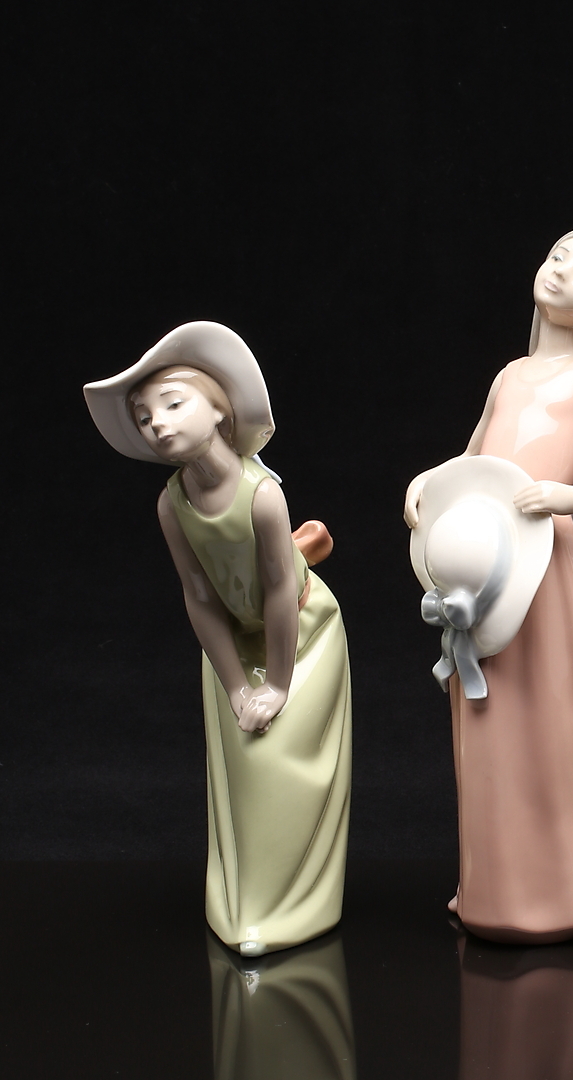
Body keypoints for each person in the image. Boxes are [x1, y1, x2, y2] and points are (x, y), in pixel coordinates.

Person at [404, 228, 573, 943]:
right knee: (489, 724)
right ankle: (492, 886)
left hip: (543, 566)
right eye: (559, 256)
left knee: (553, 728)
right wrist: (429, 479)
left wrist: (562, 497)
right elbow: (472, 459)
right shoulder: (510, 376)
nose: (563, 272)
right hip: (486, 561)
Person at [84, 323, 352, 956]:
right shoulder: (171, 505)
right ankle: (241, 904)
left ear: (220, 410)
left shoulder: (262, 496)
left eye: (173, 404)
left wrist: (277, 685)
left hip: (302, 636)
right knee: (241, 773)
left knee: (286, 767)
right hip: (229, 647)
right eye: (145, 418)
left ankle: (296, 908)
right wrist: (236, 685)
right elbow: (199, 596)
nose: (158, 424)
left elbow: (281, 591)